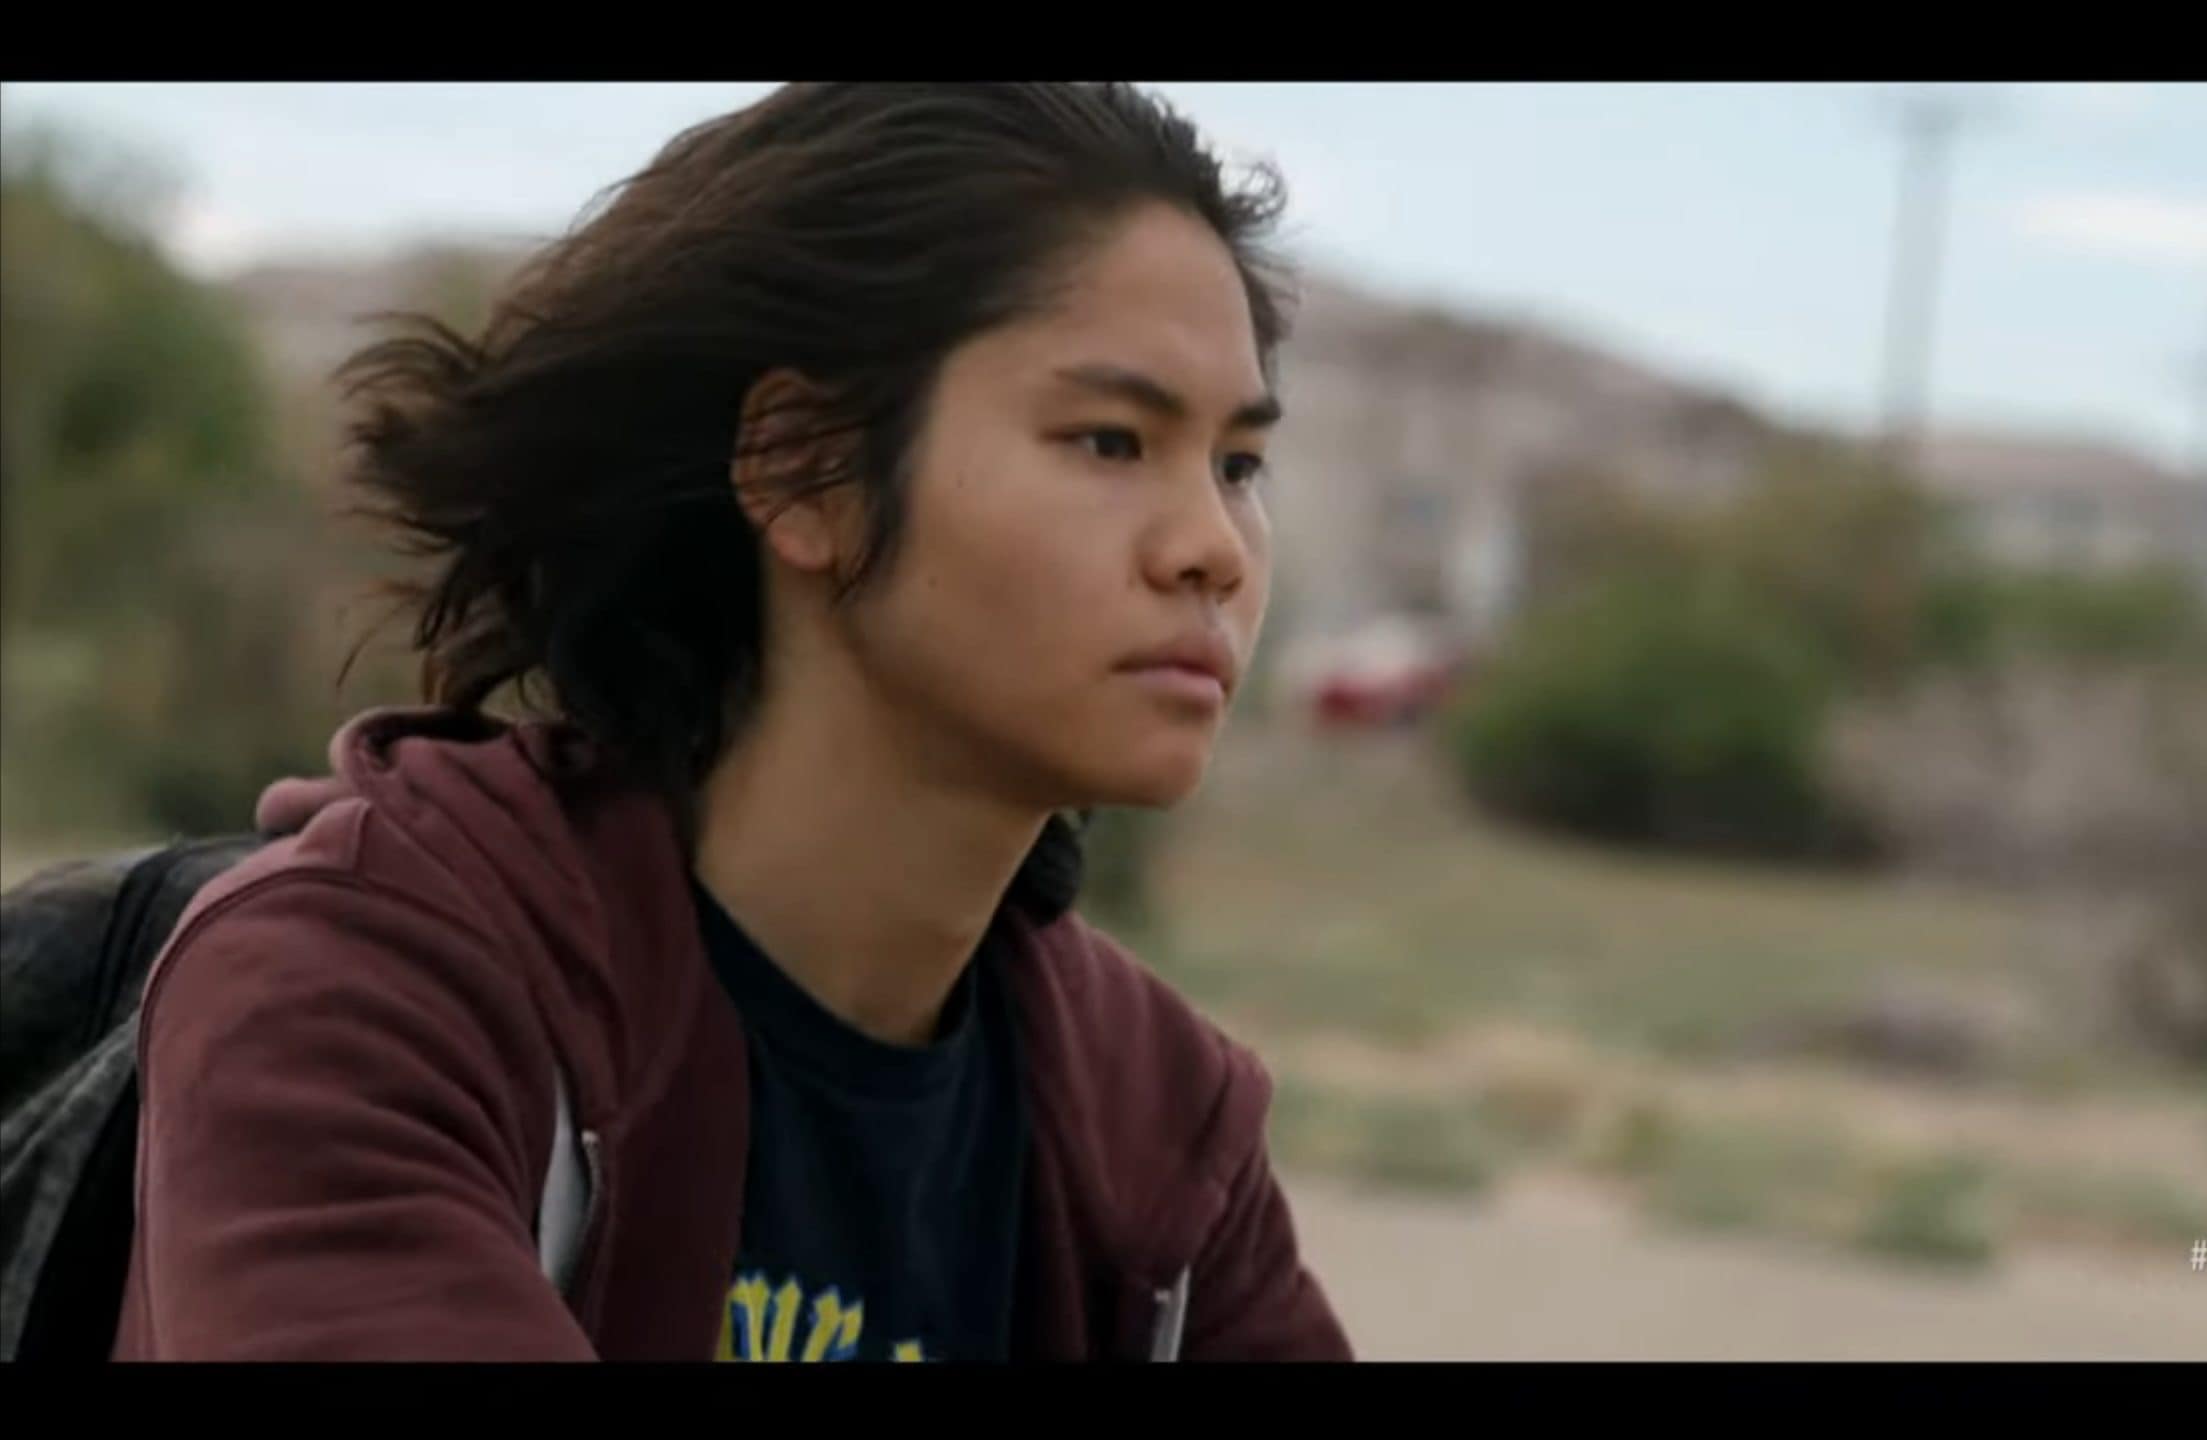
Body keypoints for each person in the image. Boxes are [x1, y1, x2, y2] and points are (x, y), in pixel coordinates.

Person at [108, 81, 1352, 1362]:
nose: (1212, 548)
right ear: (802, 468)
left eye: (1238, 466)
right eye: (1108, 440)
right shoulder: (363, 992)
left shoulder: (1159, 1126)